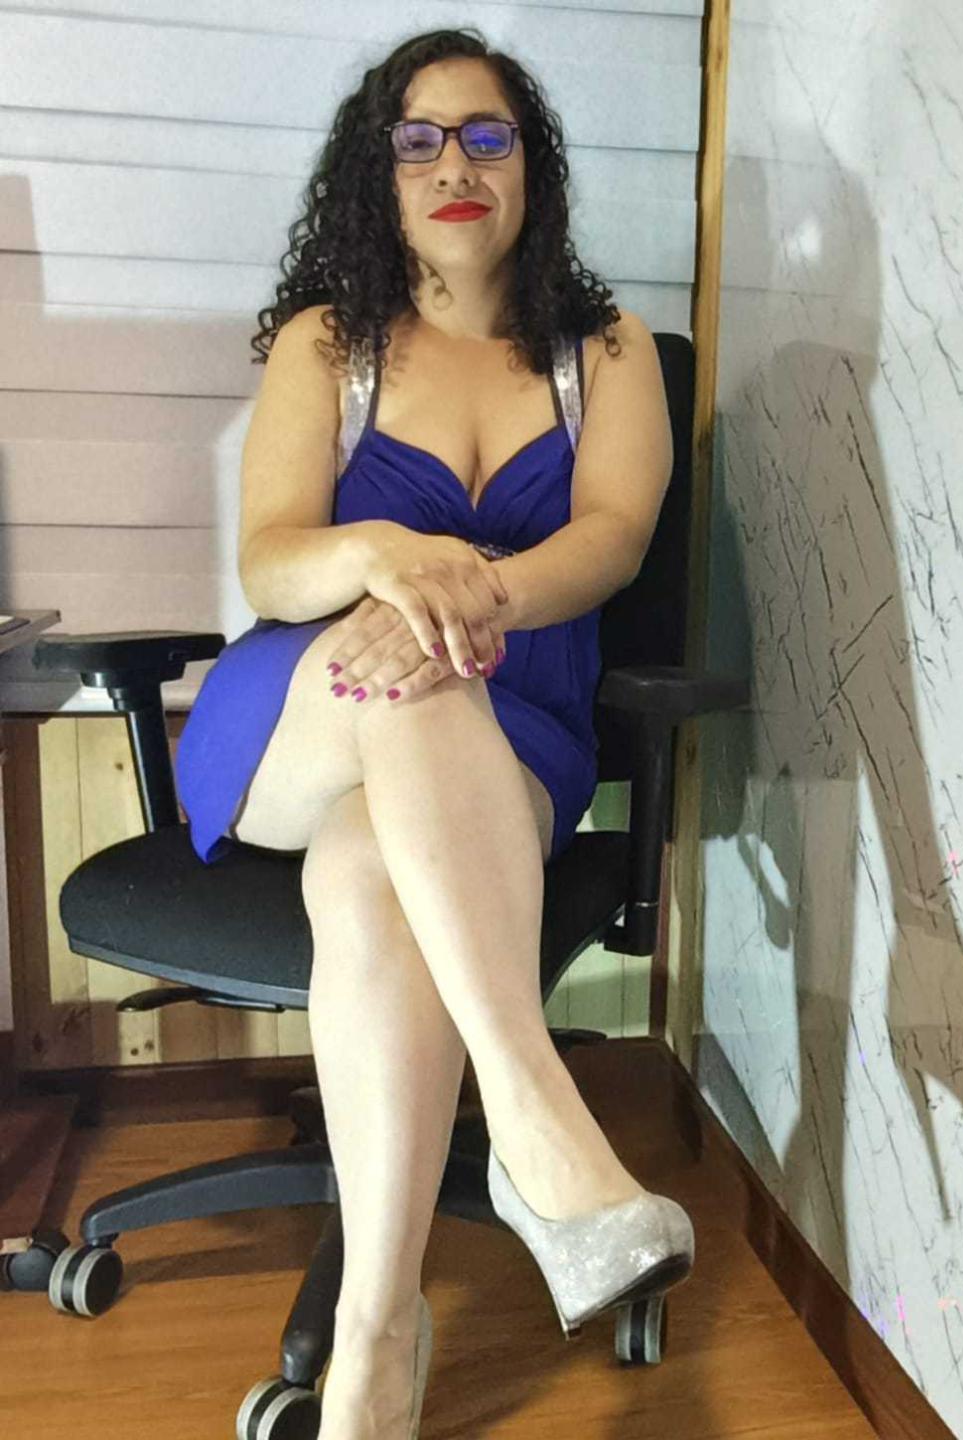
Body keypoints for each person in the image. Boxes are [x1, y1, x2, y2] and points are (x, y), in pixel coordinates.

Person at [172, 26, 691, 1440]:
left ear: (532, 166)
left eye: (486, 134)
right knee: (403, 680)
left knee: (367, 875)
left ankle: (376, 1340)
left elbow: (613, 537)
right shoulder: (326, 343)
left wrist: (473, 602)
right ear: (379, 173)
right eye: (419, 140)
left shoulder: (607, 353)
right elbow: (272, 563)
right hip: (307, 710)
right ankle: (531, 1116)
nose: (454, 162)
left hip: (513, 733)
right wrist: (385, 557)